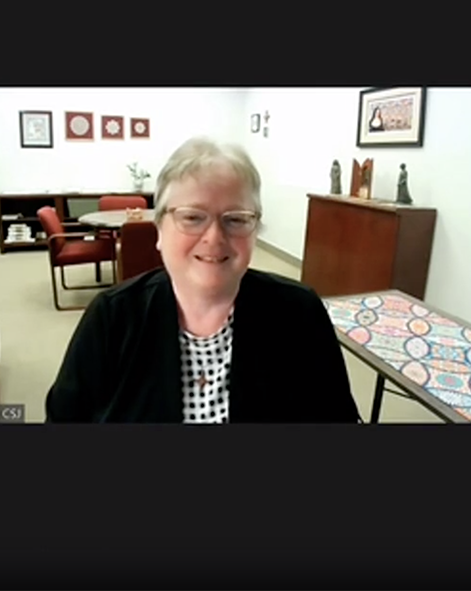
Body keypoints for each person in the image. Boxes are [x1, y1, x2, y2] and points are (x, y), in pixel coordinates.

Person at [45, 137, 361, 423]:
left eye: (235, 219)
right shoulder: (112, 317)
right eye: (193, 217)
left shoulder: (299, 313)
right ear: (159, 230)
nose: (214, 238)